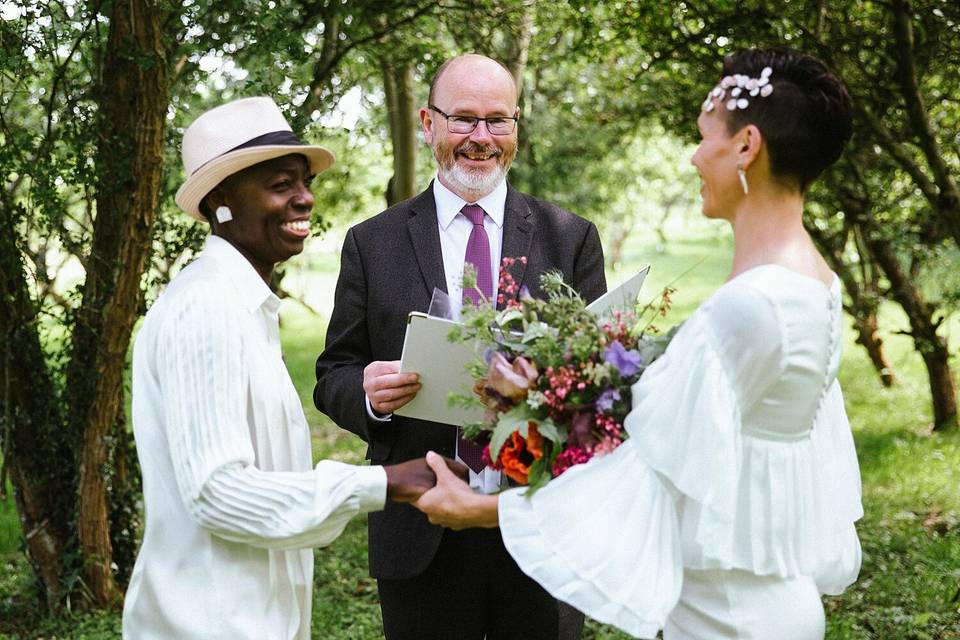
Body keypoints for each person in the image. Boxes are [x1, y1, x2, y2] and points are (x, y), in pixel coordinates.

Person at [413, 48, 864, 639]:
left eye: (706, 138)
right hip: (772, 596)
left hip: (725, 616)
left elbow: (646, 476)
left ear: (747, 146)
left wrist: (484, 510)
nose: (696, 155)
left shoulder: (747, 307)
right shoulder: (816, 284)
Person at [122, 96, 464, 639]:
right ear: (220, 201)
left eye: (304, 183)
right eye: (282, 184)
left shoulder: (245, 307)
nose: (305, 199)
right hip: (206, 622)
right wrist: (387, 481)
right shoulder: (205, 307)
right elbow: (217, 493)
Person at [313, 54, 607, 639]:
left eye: (498, 121)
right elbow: (333, 373)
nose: (481, 138)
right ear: (428, 123)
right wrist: (368, 395)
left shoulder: (570, 237)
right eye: (463, 119)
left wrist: (556, 387)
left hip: (538, 521)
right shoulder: (371, 243)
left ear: (516, 129)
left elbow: (601, 388)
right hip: (420, 523)